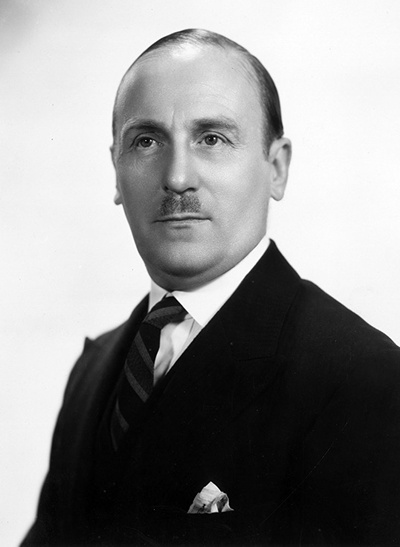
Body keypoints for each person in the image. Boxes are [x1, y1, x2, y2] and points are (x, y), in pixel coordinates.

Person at [22, 29, 400, 546]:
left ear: (277, 168)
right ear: (115, 170)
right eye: (147, 141)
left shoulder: (364, 381)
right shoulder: (93, 371)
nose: (178, 177)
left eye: (212, 139)